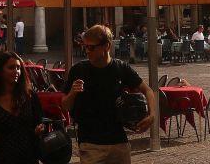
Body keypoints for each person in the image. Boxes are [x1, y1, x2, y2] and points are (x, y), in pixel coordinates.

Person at [63, 25, 156, 164]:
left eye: (91, 47)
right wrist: (72, 93)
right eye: (85, 47)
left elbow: (148, 90)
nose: (87, 51)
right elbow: (65, 105)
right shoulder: (78, 70)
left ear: (106, 46)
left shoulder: (120, 68)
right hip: (90, 144)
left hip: (119, 142)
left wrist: (152, 115)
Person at [0, 51, 44, 164]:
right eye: (11, 67)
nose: (16, 71)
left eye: (18, 68)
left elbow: (39, 123)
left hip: (28, 157)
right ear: (0, 71)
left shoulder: (30, 96)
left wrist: (38, 130)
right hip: (2, 158)